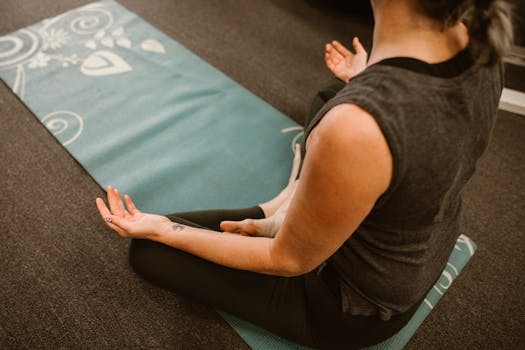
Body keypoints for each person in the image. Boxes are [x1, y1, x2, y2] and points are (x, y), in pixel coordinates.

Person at [95, 0, 513, 348]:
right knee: (327, 97)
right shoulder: (479, 35)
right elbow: (420, 128)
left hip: (351, 307)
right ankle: (279, 212)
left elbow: (288, 260)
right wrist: (364, 81)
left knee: (150, 251)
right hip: (425, 245)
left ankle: (272, 213)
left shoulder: (356, 126)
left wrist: (167, 231)